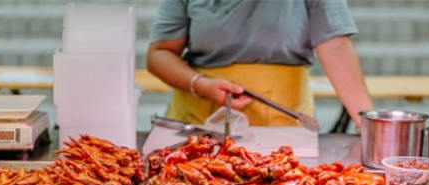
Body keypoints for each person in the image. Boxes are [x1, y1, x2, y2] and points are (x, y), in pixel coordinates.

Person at [147, 0, 374, 128]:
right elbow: (160, 54)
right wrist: (201, 84)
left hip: (284, 125)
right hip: (198, 124)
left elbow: (335, 48)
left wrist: (369, 125)